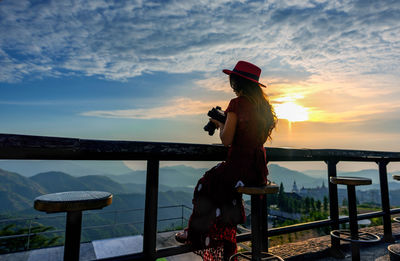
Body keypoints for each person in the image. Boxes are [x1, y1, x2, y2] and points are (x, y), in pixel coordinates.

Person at [175, 61, 277, 261]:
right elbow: (251, 137)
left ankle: (195, 233)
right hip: (257, 171)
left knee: (206, 184)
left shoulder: (237, 104)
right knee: (225, 193)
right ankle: (227, 244)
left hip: (238, 166)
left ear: (236, 82)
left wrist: (221, 124)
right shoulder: (264, 108)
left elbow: (226, 140)